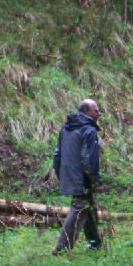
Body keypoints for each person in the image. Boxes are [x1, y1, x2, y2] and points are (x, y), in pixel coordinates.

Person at [52, 98, 103, 255]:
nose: (99, 113)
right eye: (96, 110)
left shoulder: (65, 128)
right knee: (79, 207)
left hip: (68, 173)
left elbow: (57, 155)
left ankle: (95, 243)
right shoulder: (88, 130)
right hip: (82, 176)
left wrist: (60, 173)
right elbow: (89, 159)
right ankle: (61, 248)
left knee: (89, 206)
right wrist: (95, 179)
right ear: (86, 111)